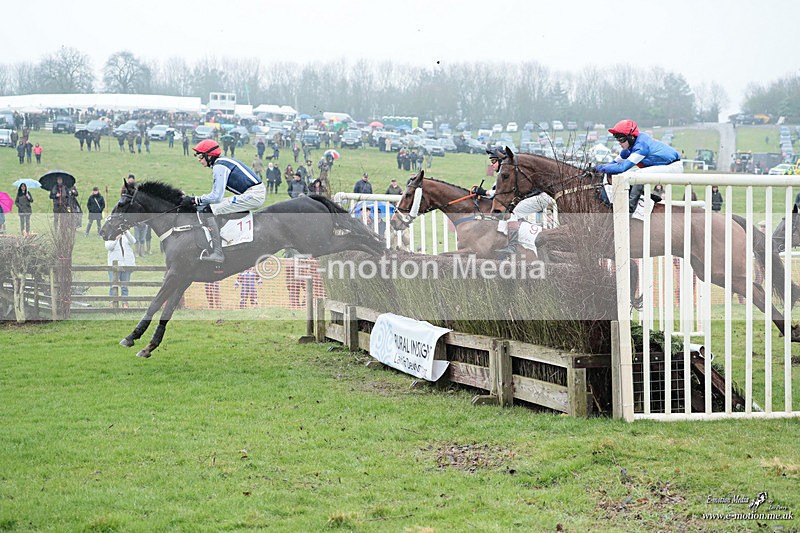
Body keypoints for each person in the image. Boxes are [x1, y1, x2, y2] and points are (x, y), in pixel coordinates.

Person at [181, 140, 266, 263]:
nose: (199, 160)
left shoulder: (219, 167)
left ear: (209, 156)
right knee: (211, 206)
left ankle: (218, 253)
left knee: (209, 209)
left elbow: (216, 197)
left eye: (200, 156)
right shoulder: (221, 163)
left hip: (253, 195)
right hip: (253, 193)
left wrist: (194, 200)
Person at [596, 119, 682, 213]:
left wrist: (599, 169)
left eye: (621, 139)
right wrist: (596, 168)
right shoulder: (629, 147)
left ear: (631, 137)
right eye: (617, 139)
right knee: (627, 175)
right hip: (663, 166)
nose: (619, 143)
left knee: (638, 174)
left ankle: (630, 209)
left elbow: (622, 167)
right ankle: (646, 197)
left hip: (673, 166)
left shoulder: (641, 147)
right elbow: (614, 163)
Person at [105, 229, 136, 309]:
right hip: (114, 265)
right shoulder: (110, 235)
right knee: (113, 285)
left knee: (125, 286)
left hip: (126, 264)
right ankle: (112, 303)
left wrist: (126, 232)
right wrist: (116, 239)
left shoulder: (126, 235)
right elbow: (109, 247)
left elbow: (133, 241)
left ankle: (124, 303)